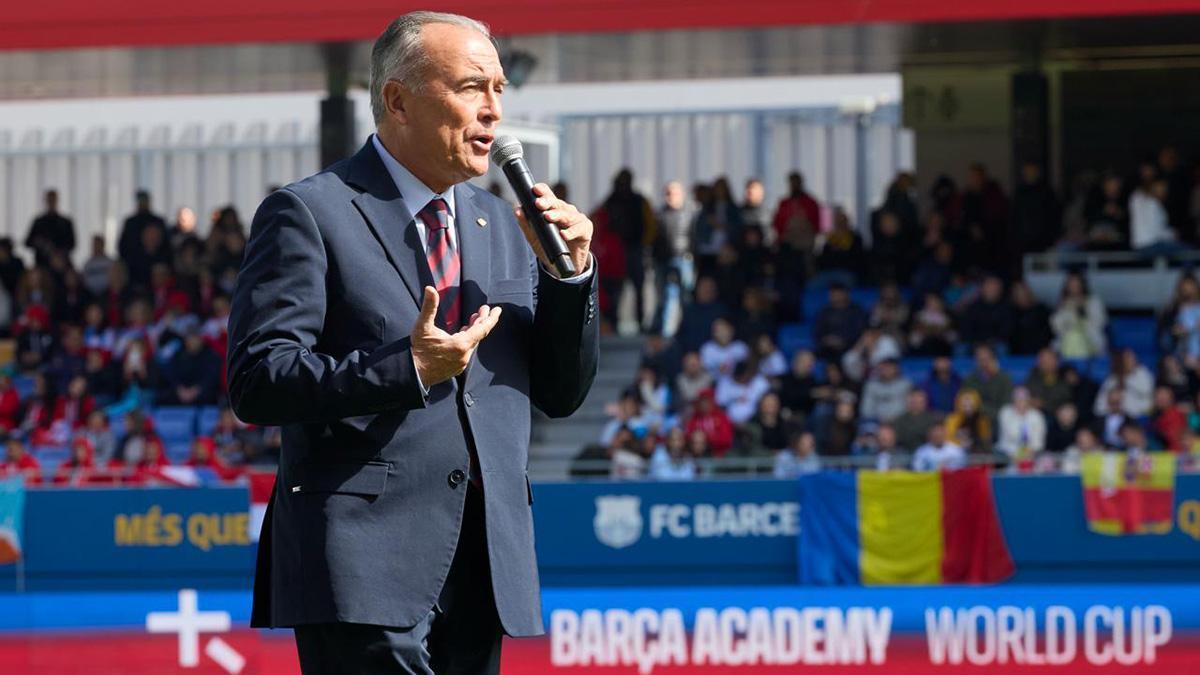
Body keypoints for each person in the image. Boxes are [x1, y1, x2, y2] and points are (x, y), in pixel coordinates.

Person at [227, 12, 600, 673]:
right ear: (398, 99)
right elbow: (260, 379)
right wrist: (408, 367)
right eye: (470, 87)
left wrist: (570, 279)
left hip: (485, 562)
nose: (493, 111)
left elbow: (561, 393)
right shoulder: (310, 212)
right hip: (362, 560)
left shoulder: (504, 226)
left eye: (500, 90)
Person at [26, 189, 76, 268]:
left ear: (57, 201)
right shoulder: (38, 222)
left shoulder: (66, 222)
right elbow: (28, 242)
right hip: (42, 265)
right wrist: (40, 244)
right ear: (45, 201)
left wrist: (57, 253)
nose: (51, 202)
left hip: (61, 265)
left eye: (53, 200)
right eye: (49, 200)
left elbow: (72, 244)